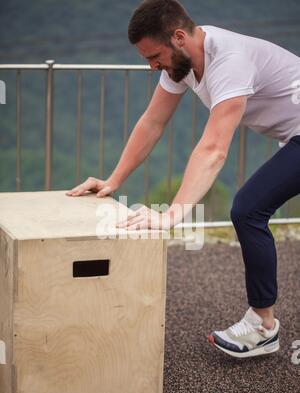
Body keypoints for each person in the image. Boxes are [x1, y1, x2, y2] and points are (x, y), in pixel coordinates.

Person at [66, 0, 300, 358]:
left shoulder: (229, 62)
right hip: (294, 137)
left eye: (153, 56)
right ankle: (263, 326)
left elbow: (213, 150)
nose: (151, 66)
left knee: (248, 210)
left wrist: (171, 215)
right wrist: (113, 180)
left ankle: (262, 327)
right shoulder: (181, 63)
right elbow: (152, 122)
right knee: (250, 210)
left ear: (178, 37)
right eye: (147, 59)